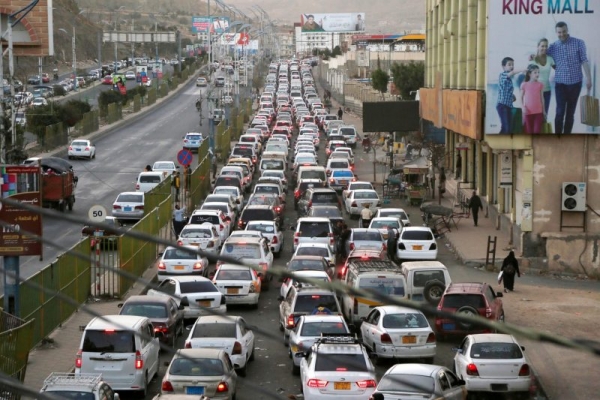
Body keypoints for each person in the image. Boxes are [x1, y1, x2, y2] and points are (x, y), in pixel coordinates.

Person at [546, 21, 592, 134]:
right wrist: (532, 56)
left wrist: (589, 78)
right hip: (560, 85)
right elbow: (543, 56)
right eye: (559, 32)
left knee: (570, 113)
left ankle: (567, 135)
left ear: (567, 30)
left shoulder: (579, 43)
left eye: (564, 31)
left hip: (576, 84)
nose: (562, 34)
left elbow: (584, 61)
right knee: (560, 111)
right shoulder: (553, 47)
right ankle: (557, 136)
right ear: (556, 32)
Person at [496, 57, 523, 133]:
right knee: (506, 128)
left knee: (507, 128)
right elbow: (512, 73)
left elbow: (505, 90)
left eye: (512, 65)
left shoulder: (510, 79)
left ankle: (501, 142)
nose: (511, 66)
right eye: (509, 64)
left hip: (508, 106)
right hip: (502, 105)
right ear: (503, 66)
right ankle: (500, 143)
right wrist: (521, 70)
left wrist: (512, 96)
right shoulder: (503, 75)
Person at [530, 38, 555, 116]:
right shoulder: (533, 60)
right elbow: (528, 76)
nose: (544, 48)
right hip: (535, 91)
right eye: (542, 46)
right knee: (535, 115)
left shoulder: (550, 59)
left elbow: (559, 70)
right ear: (538, 47)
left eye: (546, 46)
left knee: (544, 115)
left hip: (547, 91)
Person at [520, 64, 545, 134]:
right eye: (535, 72)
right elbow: (520, 98)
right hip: (528, 112)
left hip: (538, 112)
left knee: (537, 131)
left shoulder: (540, 84)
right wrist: (522, 107)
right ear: (529, 74)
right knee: (528, 131)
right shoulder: (524, 84)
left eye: (538, 72)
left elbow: (542, 98)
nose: (537, 74)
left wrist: (544, 111)